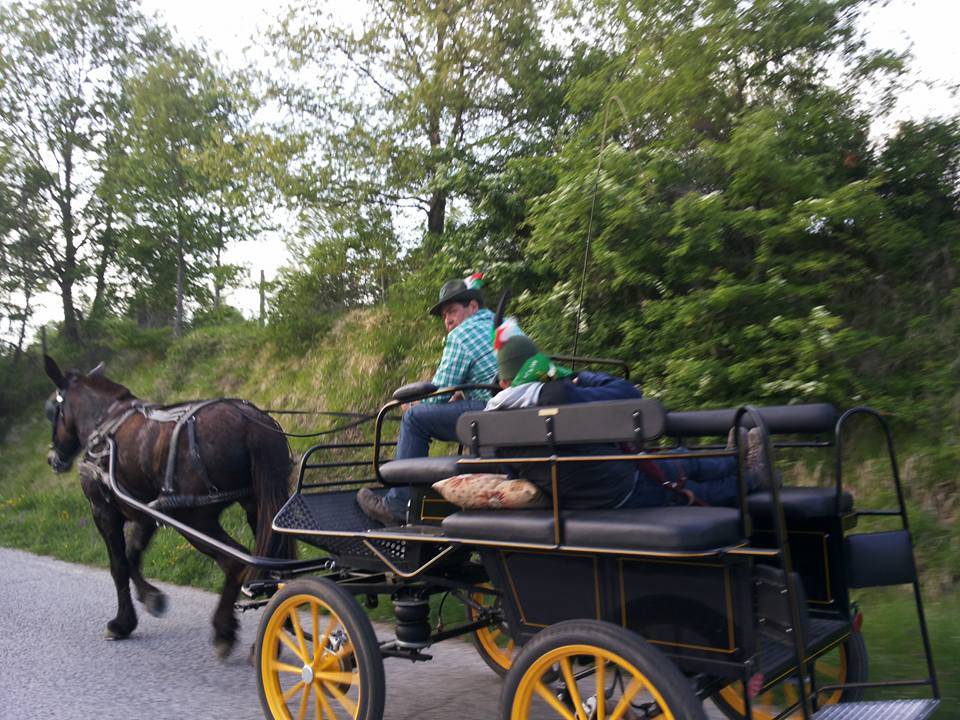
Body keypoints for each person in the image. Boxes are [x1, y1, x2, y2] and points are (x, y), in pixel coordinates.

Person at [486, 319, 766, 509]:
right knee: (683, 472)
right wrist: (577, 376)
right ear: (541, 365)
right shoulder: (562, 394)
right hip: (619, 489)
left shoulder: (492, 419)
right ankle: (752, 476)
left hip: (575, 500)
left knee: (675, 463)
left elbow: (513, 473)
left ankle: (736, 460)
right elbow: (627, 392)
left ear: (503, 382)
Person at [357, 273, 498, 524]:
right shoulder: (501, 324)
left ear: (473, 307)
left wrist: (415, 404)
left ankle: (397, 505)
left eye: (452, 311)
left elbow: (438, 393)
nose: (448, 320)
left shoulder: (461, 335)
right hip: (509, 411)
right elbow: (486, 375)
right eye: (444, 315)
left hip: (488, 414)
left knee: (414, 418)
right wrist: (460, 393)